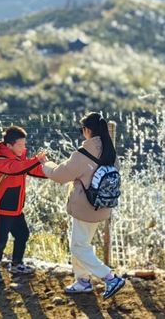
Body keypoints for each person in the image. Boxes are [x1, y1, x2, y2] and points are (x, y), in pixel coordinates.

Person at [41, 112, 125, 299]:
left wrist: (44, 164)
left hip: (85, 208)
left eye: (82, 130)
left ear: (88, 130)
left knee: (79, 246)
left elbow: (60, 175)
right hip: (102, 206)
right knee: (80, 243)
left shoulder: (83, 154)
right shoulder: (111, 153)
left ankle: (110, 278)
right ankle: (82, 281)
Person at [0, 125, 47, 283]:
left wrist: (56, 172)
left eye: (24, 144)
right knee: (0, 240)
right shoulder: (0, 161)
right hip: (2, 209)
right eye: (20, 145)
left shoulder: (19, 159)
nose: (23, 148)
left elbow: (31, 170)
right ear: (9, 145)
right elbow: (16, 169)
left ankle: (16, 264)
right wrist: (35, 160)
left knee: (22, 234)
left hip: (16, 208)